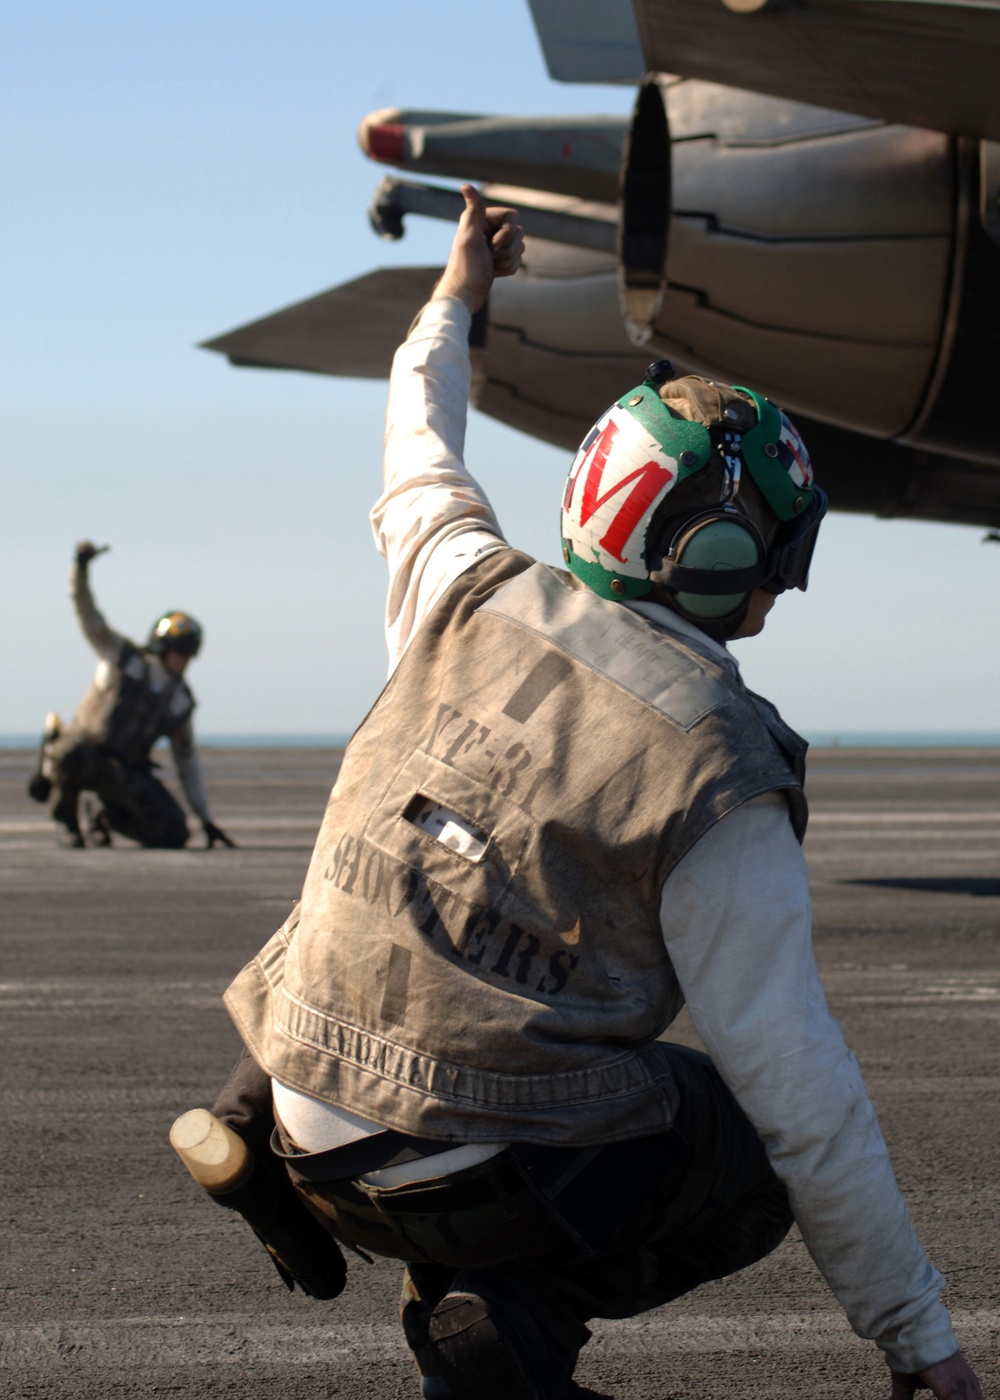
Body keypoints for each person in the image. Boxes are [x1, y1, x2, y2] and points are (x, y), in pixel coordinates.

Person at [204, 188, 984, 1400]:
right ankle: (508, 1314)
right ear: (734, 567)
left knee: (399, 873)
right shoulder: (719, 769)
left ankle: (247, 1135)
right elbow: (802, 1093)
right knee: (742, 1152)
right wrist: (917, 1335)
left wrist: (460, 290)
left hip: (303, 1090)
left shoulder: (458, 586)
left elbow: (419, 424)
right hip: (466, 1170)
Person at [28, 541, 235, 851]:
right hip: (87, 755)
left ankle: (106, 816)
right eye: (181, 649)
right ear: (163, 645)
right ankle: (69, 821)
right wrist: (79, 569)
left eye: (190, 651)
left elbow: (186, 761)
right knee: (67, 753)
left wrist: (204, 819)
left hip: (125, 772)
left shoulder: (179, 701)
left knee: (174, 833)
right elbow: (88, 616)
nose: (185, 658)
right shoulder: (121, 659)